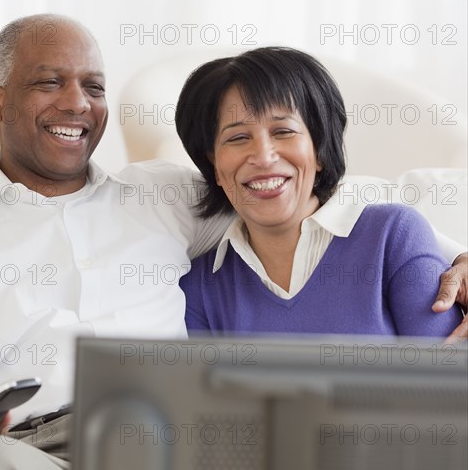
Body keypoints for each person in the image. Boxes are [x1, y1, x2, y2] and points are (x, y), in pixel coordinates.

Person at [0, 19, 466, 470]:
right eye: (48, 82)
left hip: (165, 447)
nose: (77, 103)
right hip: (22, 453)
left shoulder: (164, 196)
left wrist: (455, 257)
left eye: (95, 86)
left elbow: (309, 197)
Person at [176, 47, 463, 336]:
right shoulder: (199, 287)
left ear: (320, 151)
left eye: (283, 132)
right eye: (237, 138)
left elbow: (446, 374)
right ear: (214, 165)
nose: (263, 156)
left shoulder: (395, 237)